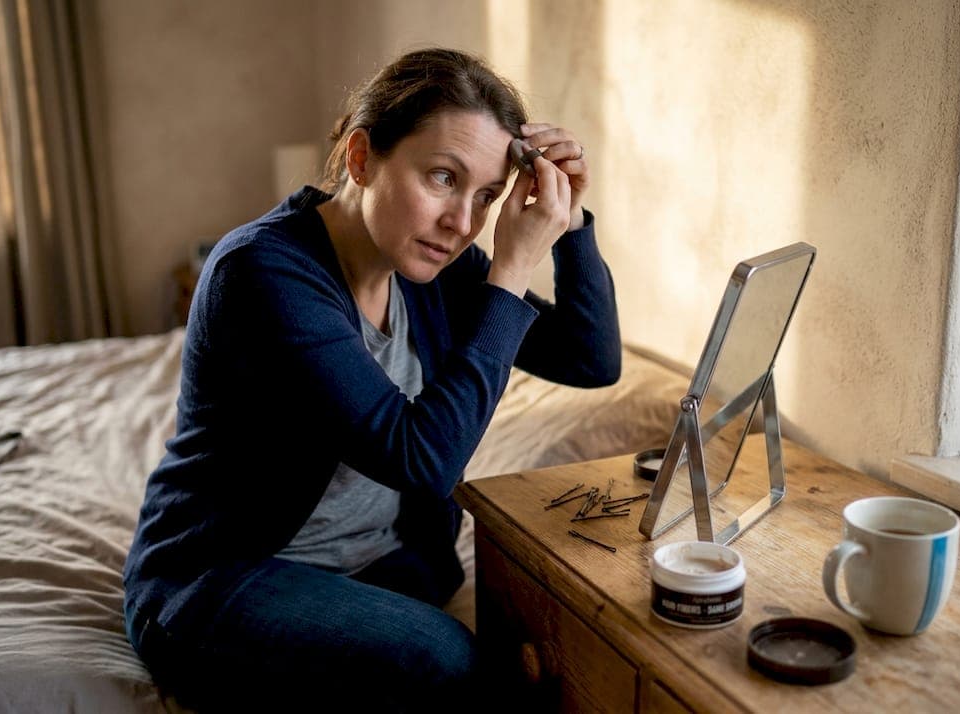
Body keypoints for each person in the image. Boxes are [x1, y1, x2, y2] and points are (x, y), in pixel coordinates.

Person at [122, 46, 621, 711]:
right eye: (442, 178)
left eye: (486, 196)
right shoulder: (262, 271)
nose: (463, 223)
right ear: (361, 158)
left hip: (379, 566)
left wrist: (573, 225)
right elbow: (423, 459)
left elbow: (591, 359)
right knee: (448, 661)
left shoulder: (433, 265)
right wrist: (510, 270)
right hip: (218, 577)